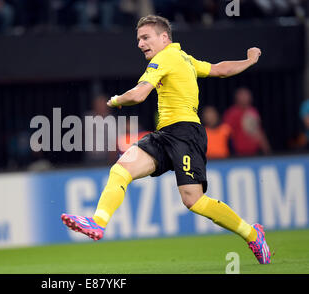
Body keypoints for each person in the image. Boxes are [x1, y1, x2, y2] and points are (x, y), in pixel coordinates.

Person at [61, 15, 271, 264]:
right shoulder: (184, 58)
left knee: (193, 200)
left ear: (164, 38)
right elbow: (218, 69)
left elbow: (139, 95)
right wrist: (249, 60)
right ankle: (97, 222)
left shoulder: (164, 58)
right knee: (121, 169)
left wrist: (117, 100)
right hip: (164, 135)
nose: (140, 44)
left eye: (145, 37)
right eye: (138, 39)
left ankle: (251, 233)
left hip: (185, 133)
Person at [223, 87, 271, 156]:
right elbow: (226, 133)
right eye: (242, 96)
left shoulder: (253, 111)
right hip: (238, 153)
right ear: (237, 98)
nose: (245, 98)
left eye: (247, 96)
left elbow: (258, 132)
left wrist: (266, 149)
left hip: (255, 152)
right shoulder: (232, 113)